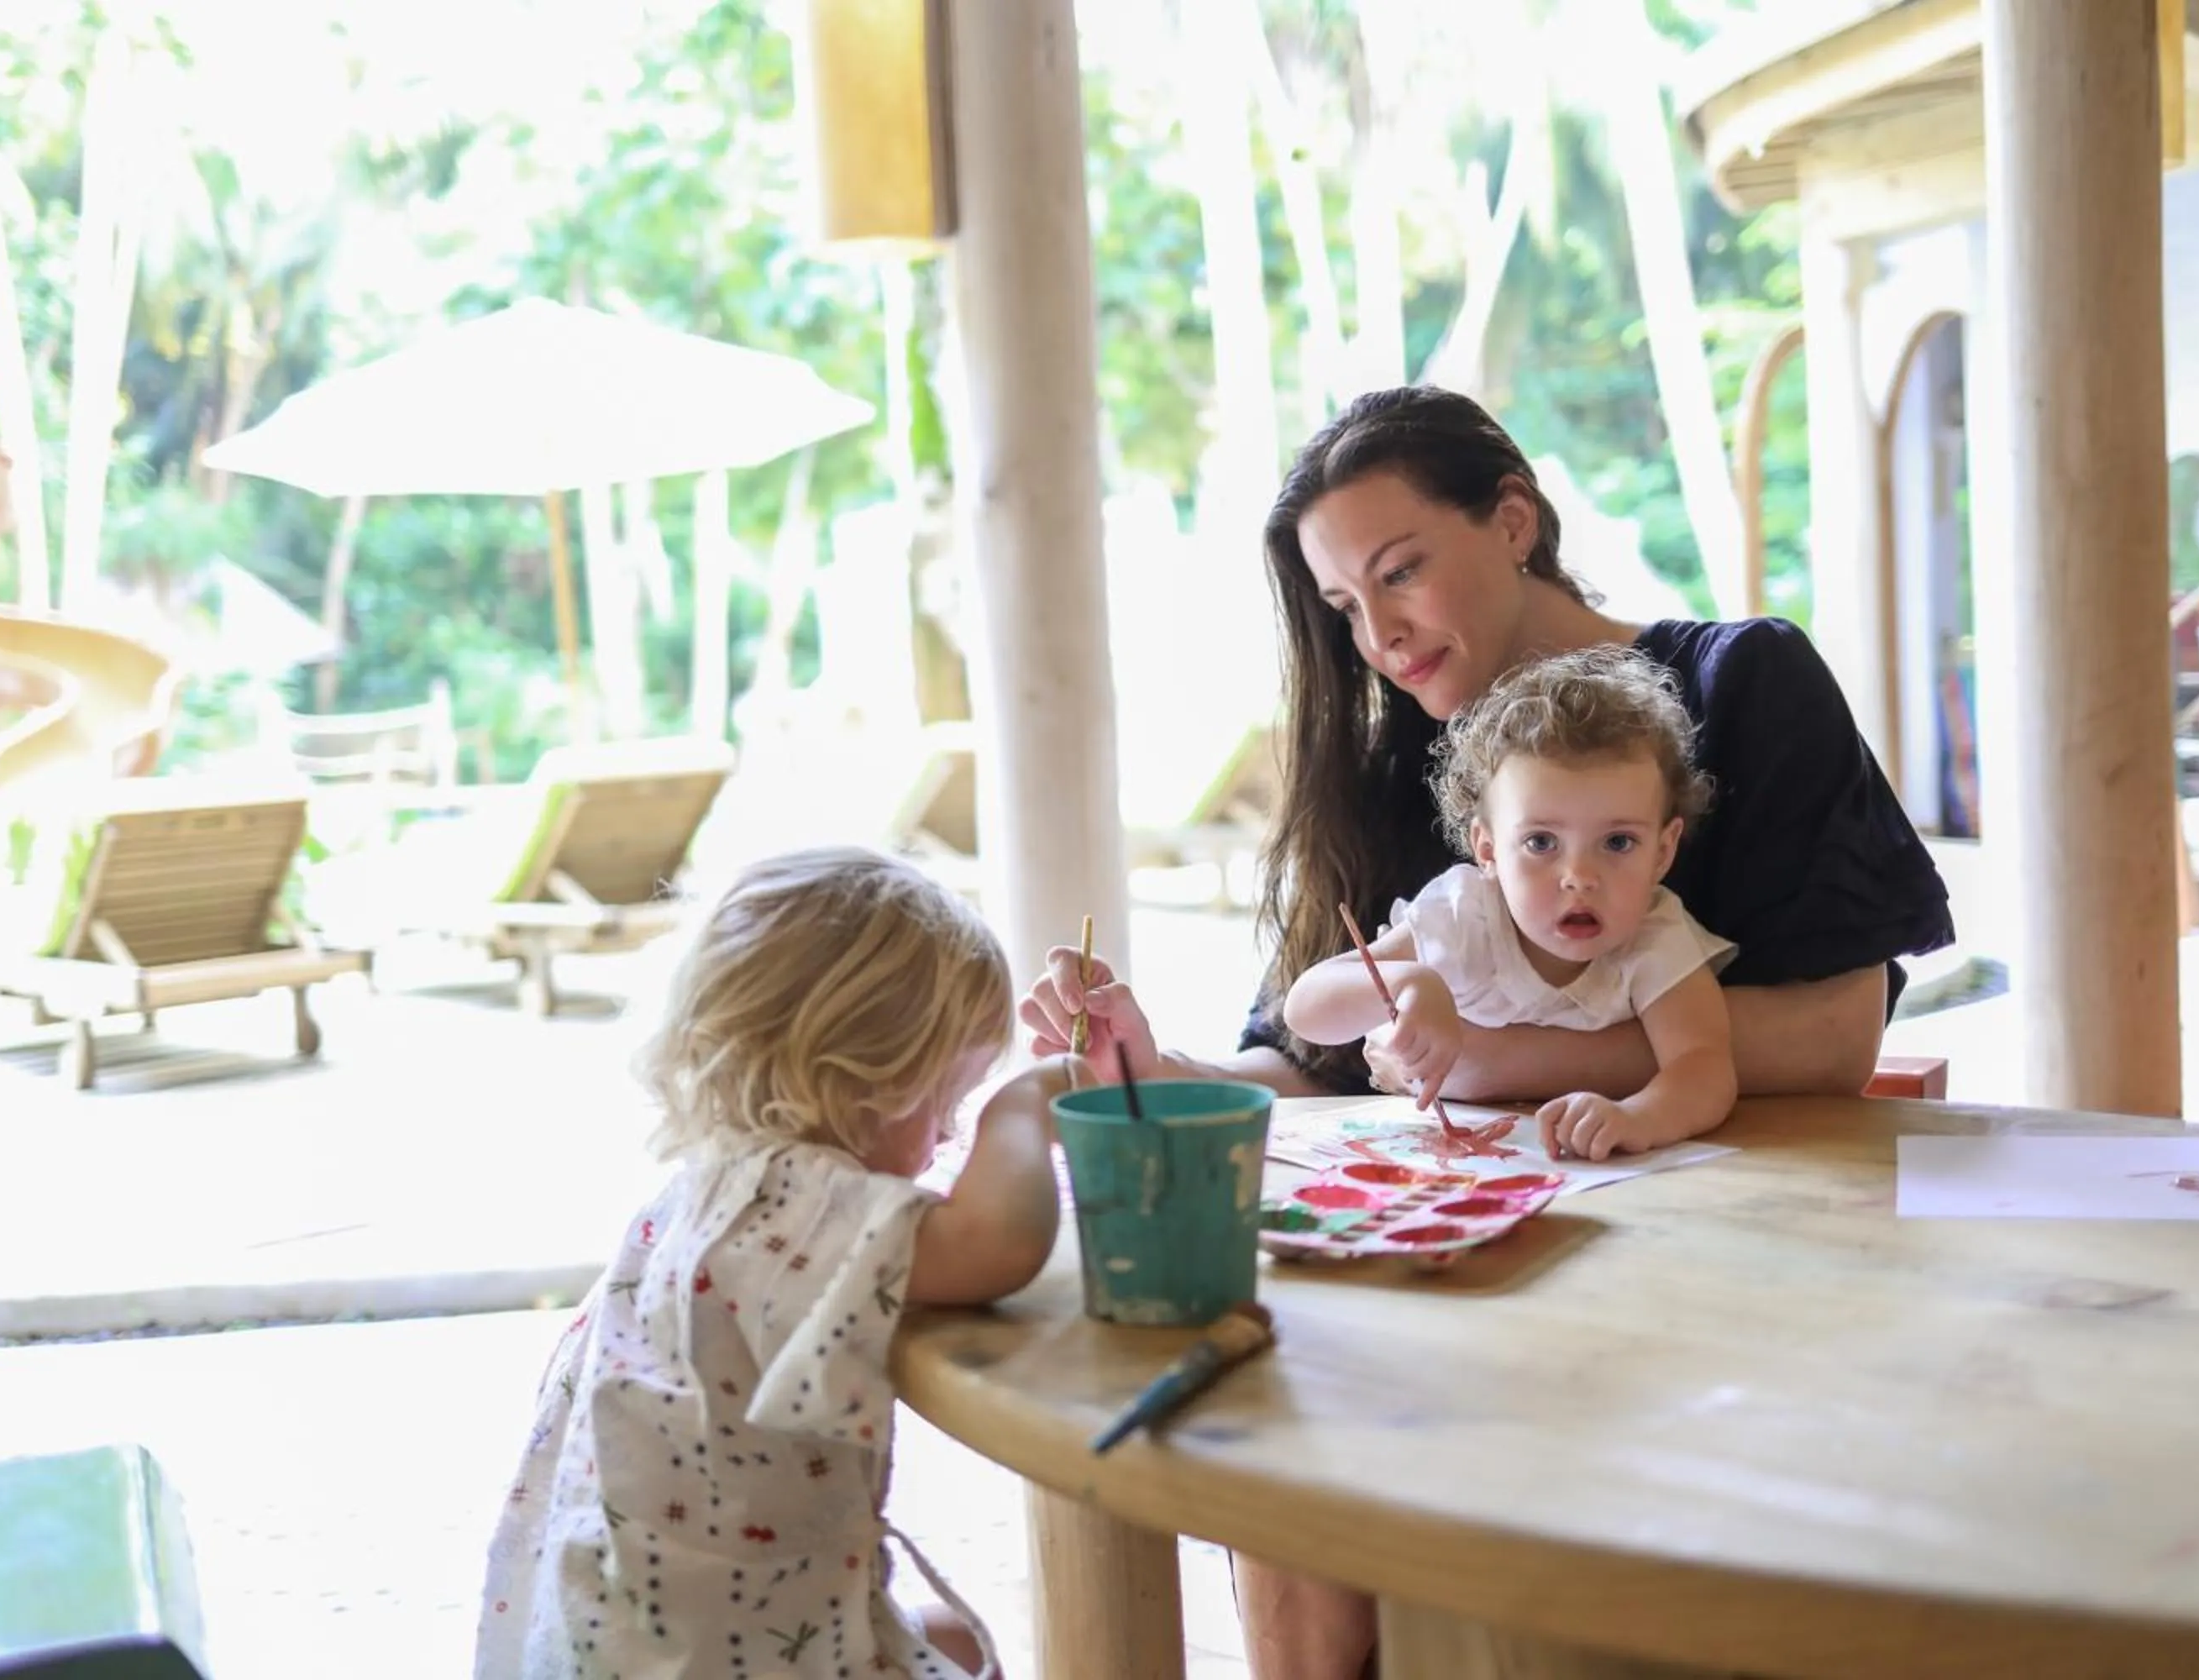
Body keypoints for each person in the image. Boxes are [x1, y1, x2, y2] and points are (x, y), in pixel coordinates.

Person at [1020, 386, 1954, 1680]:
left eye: (1400, 572)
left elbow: (1832, 1035)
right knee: (1284, 1461)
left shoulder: (1742, 685)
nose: (1382, 633)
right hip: (1470, 1269)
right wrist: (1151, 1072)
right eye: (1345, 608)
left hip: (1745, 1286)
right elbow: (1310, 1061)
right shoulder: (1395, 765)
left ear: (1513, 521)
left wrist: (1506, 1060)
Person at [476, 845, 1068, 1680]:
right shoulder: (802, 1202)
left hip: (612, 1637)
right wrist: (1024, 1105)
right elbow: (995, 1244)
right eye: (950, 1096)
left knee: (956, 1640)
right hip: (720, 1660)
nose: (947, 1135)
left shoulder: (703, 1195)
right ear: (861, 1075)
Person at [1282, 645, 1737, 1161]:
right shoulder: (1464, 917)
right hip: (1446, 1171)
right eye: (1541, 843)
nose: (1579, 878)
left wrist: (1638, 1118)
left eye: (1617, 843)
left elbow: (1704, 1068)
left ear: (1663, 850)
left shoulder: (1655, 936)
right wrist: (1410, 980)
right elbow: (1305, 1009)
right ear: (1488, 849)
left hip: (1595, 1182)